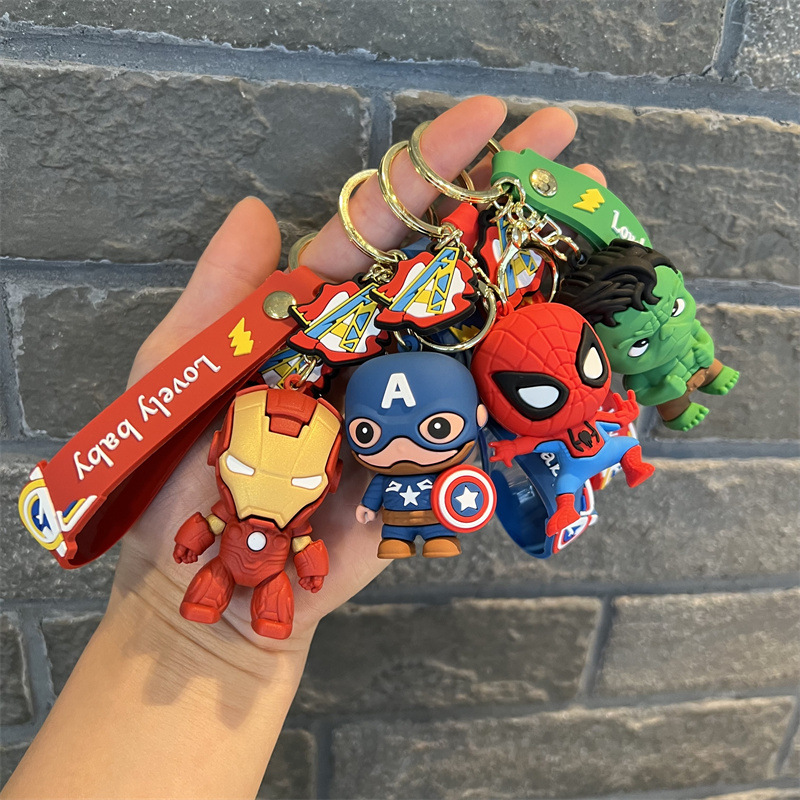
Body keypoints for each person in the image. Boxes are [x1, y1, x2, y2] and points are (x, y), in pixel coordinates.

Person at [2, 96, 605, 800]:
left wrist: (287, 573)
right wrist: (193, 577)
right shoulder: (254, 477)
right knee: (231, 585)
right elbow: (219, 528)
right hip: (259, 519)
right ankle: (233, 603)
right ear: (219, 454)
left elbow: (316, 532)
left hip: (346, 475)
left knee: (330, 563)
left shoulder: (385, 422)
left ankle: (274, 599)